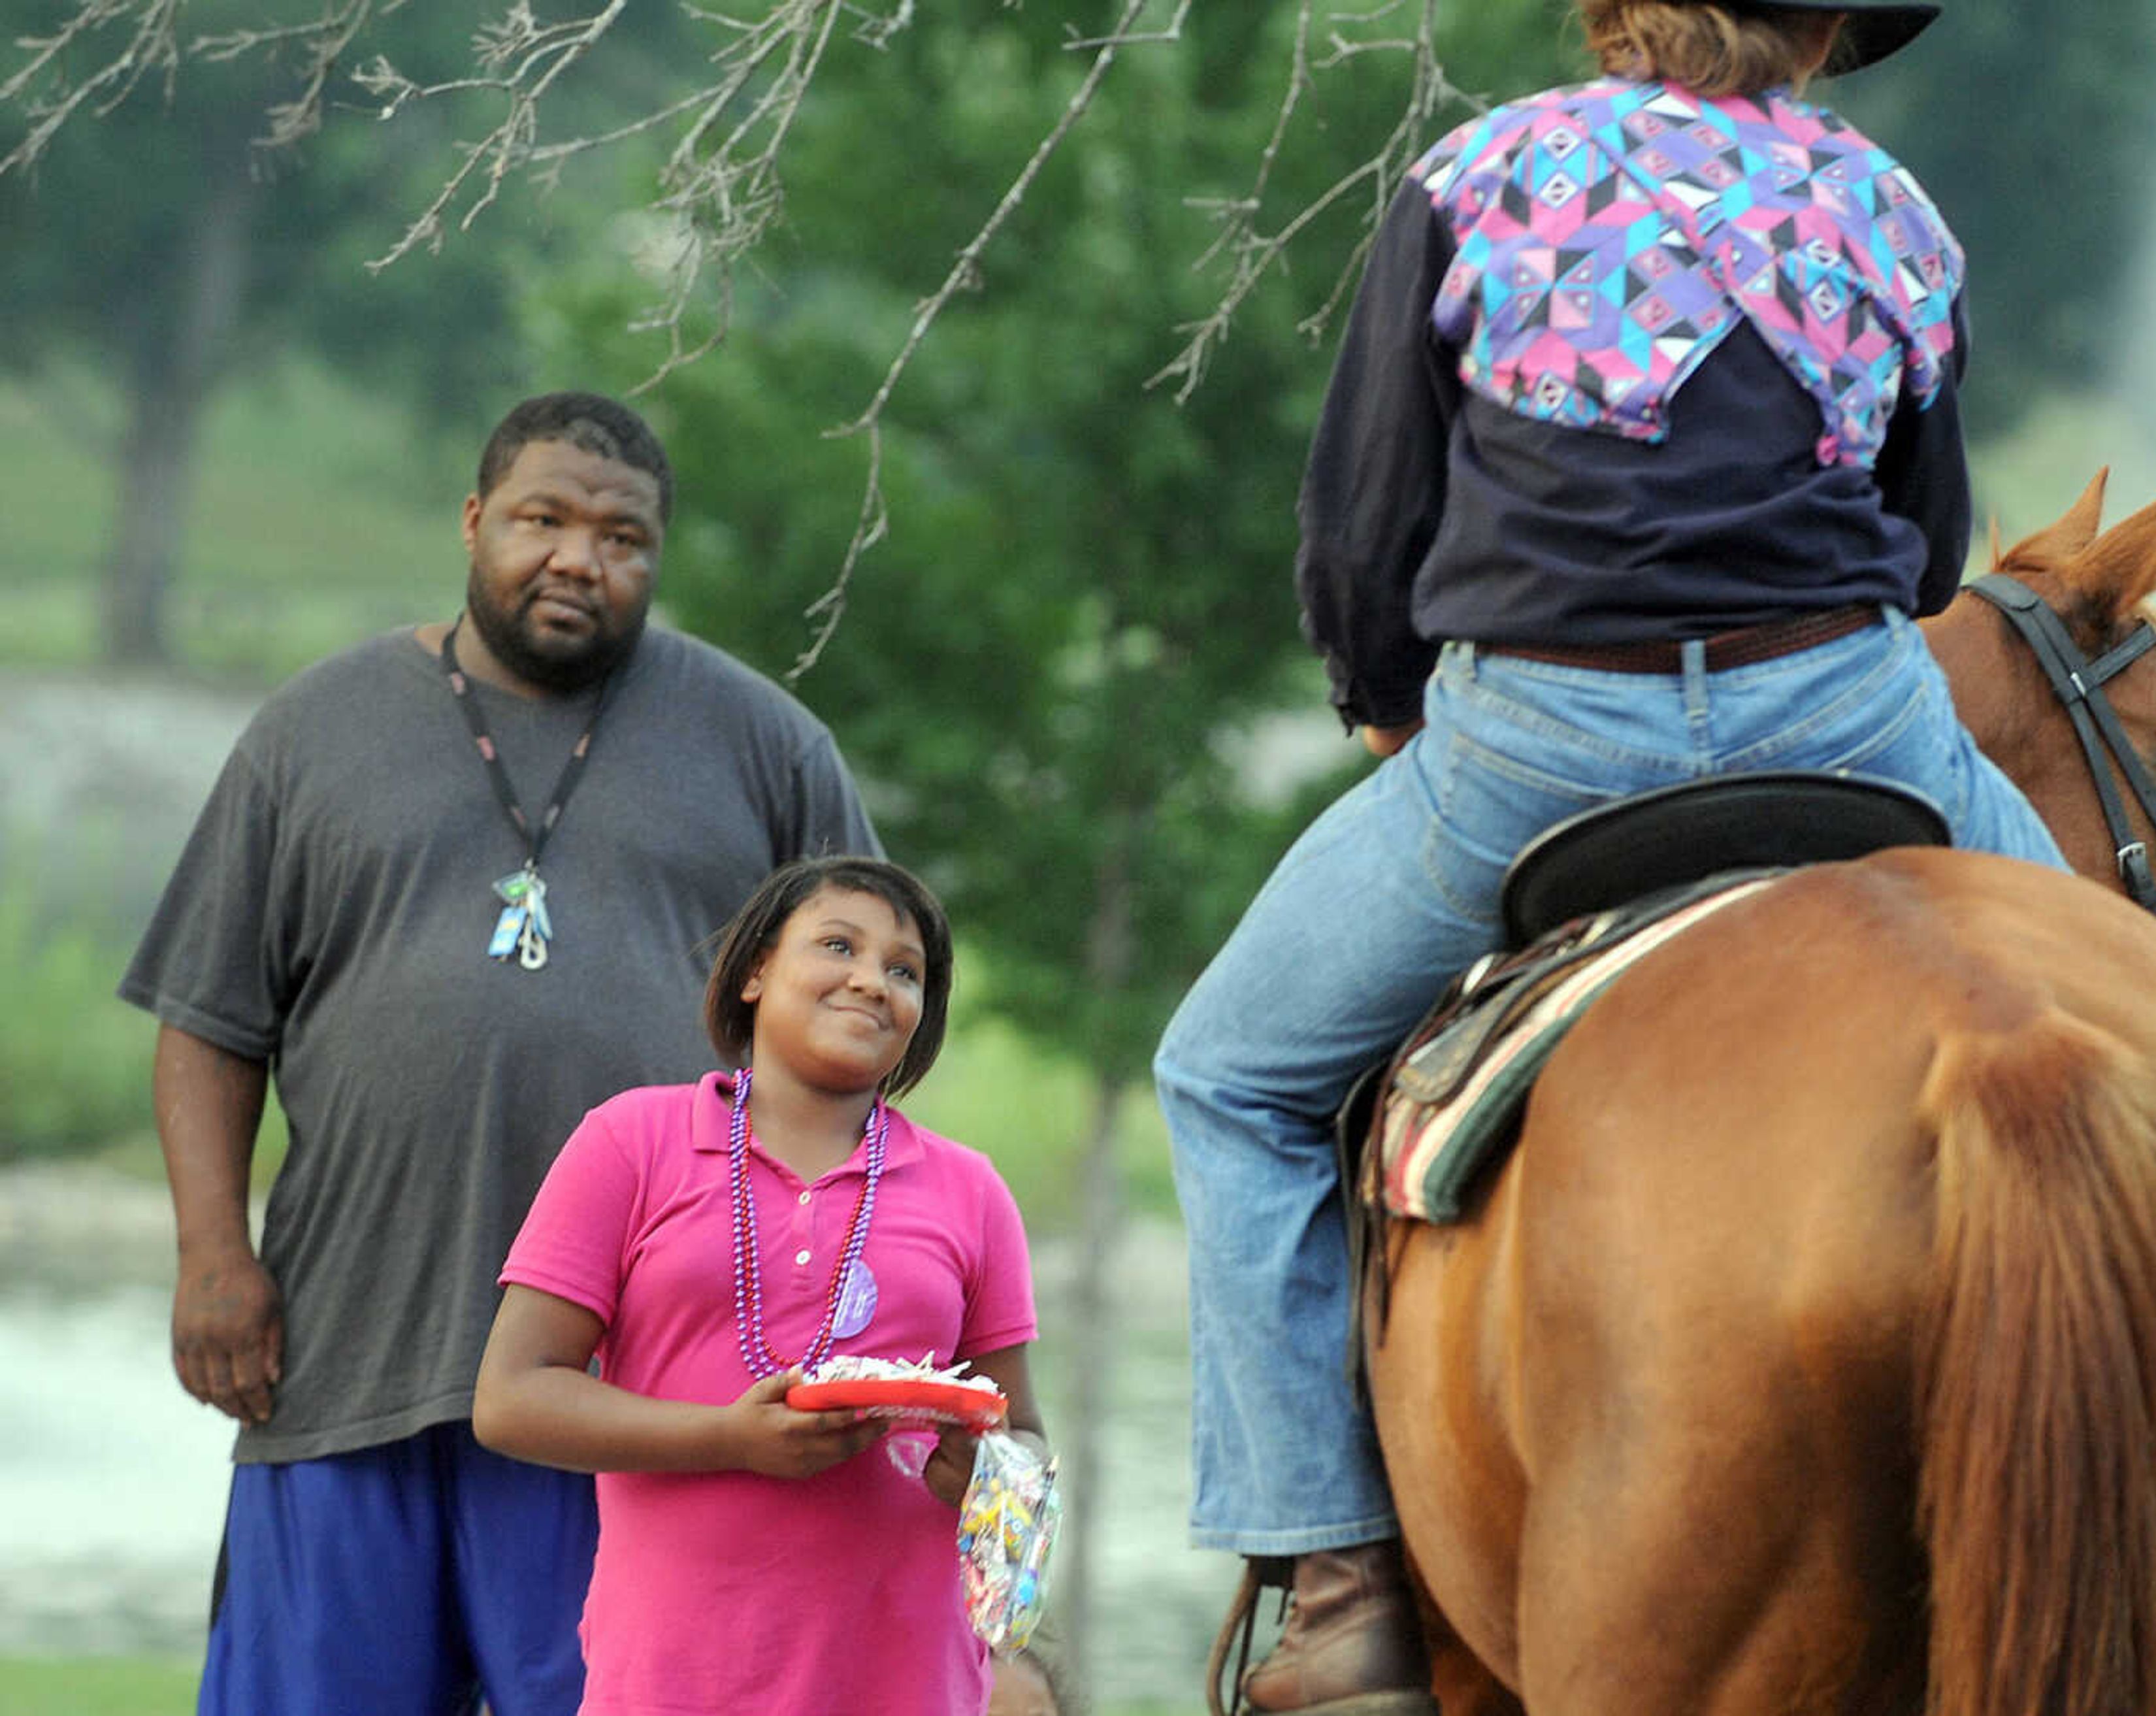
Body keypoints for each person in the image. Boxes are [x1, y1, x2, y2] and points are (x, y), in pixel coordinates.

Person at [1153, 4, 2068, 1709]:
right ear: (1828, 25)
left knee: (1229, 1077)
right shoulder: (1897, 209)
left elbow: (1366, 517)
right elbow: (1932, 548)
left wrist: (1378, 702)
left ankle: (1340, 1579)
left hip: (1545, 740)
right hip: (1853, 718)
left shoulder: (1480, 175)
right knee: (2132, 1013)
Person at [116, 391, 884, 1716]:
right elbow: (210, 1016)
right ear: (477, 522)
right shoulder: (313, 732)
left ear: (658, 555)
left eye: (622, 535)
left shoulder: (764, 747)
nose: (579, 557)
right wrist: (212, 1257)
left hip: (636, 1392)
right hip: (345, 1352)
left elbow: (863, 1024)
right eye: (544, 518)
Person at [473, 855, 1045, 1715]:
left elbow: (1024, 1439)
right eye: (838, 945)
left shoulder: (971, 1190)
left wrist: (988, 1477)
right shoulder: (631, 1141)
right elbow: (511, 1400)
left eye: (904, 970)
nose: (870, 980)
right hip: (670, 1680)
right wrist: (728, 1438)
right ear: (753, 973)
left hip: (904, 1684)